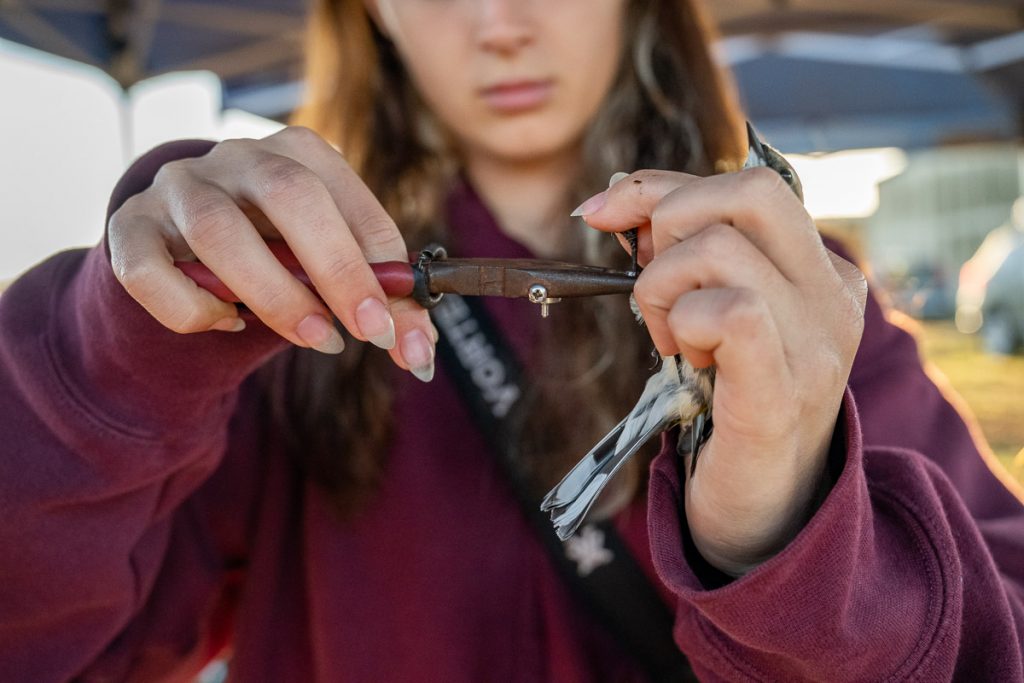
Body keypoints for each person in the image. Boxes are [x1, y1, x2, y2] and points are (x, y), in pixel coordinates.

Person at [1, 0, 1021, 680]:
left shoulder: (802, 301)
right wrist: (108, 360)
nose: (498, 25)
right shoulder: (264, 319)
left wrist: (795, 535)